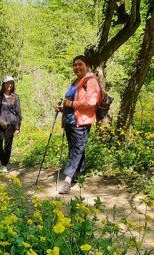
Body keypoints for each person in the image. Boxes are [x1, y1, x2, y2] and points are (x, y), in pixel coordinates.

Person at [55, 55, 100, 194]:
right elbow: (71, 102)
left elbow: (91, 101)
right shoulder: (75, 81)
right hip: (70, 121)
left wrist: (72, 104)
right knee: (76, 148)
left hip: (81, 122)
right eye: (75, 65)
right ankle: (79, 173)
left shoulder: (91, 81)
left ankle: (67, 180)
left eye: (80, 64)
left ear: (87, 65)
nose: (77, 67)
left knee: (76, 149)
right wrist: (63, 108)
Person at [0, 76, 22, 173]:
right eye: (7, 83)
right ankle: (3, 161)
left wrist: (17, 127)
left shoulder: (15, 97)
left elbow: (18, 113)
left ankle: (4, 164)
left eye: (11, 83)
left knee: (8, 146)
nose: (9, 85)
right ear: (4, 84)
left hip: (11, 124)